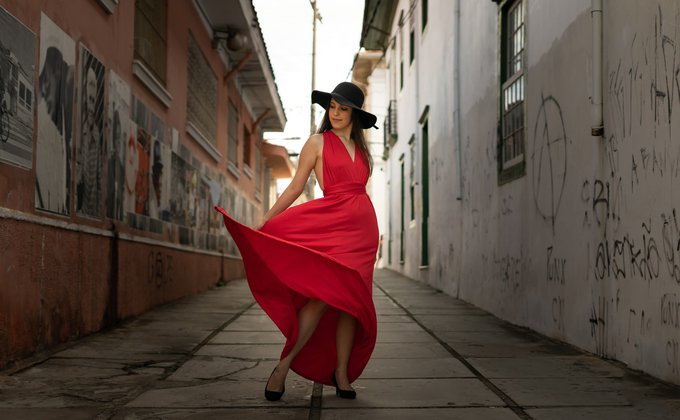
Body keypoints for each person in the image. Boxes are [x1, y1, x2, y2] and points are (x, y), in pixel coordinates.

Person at [216, 81, 379, 401]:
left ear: (355, 114)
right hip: (333, 229)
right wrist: (267, 218)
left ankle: (342, 374)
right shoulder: (317, 143)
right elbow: (294, 187)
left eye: (343, 109)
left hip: (363, 233)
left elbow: (358, 191)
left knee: (351, 306)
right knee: (320, 299)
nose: (335, 113)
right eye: (332, 107)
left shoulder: (362, 150)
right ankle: (282, 366)